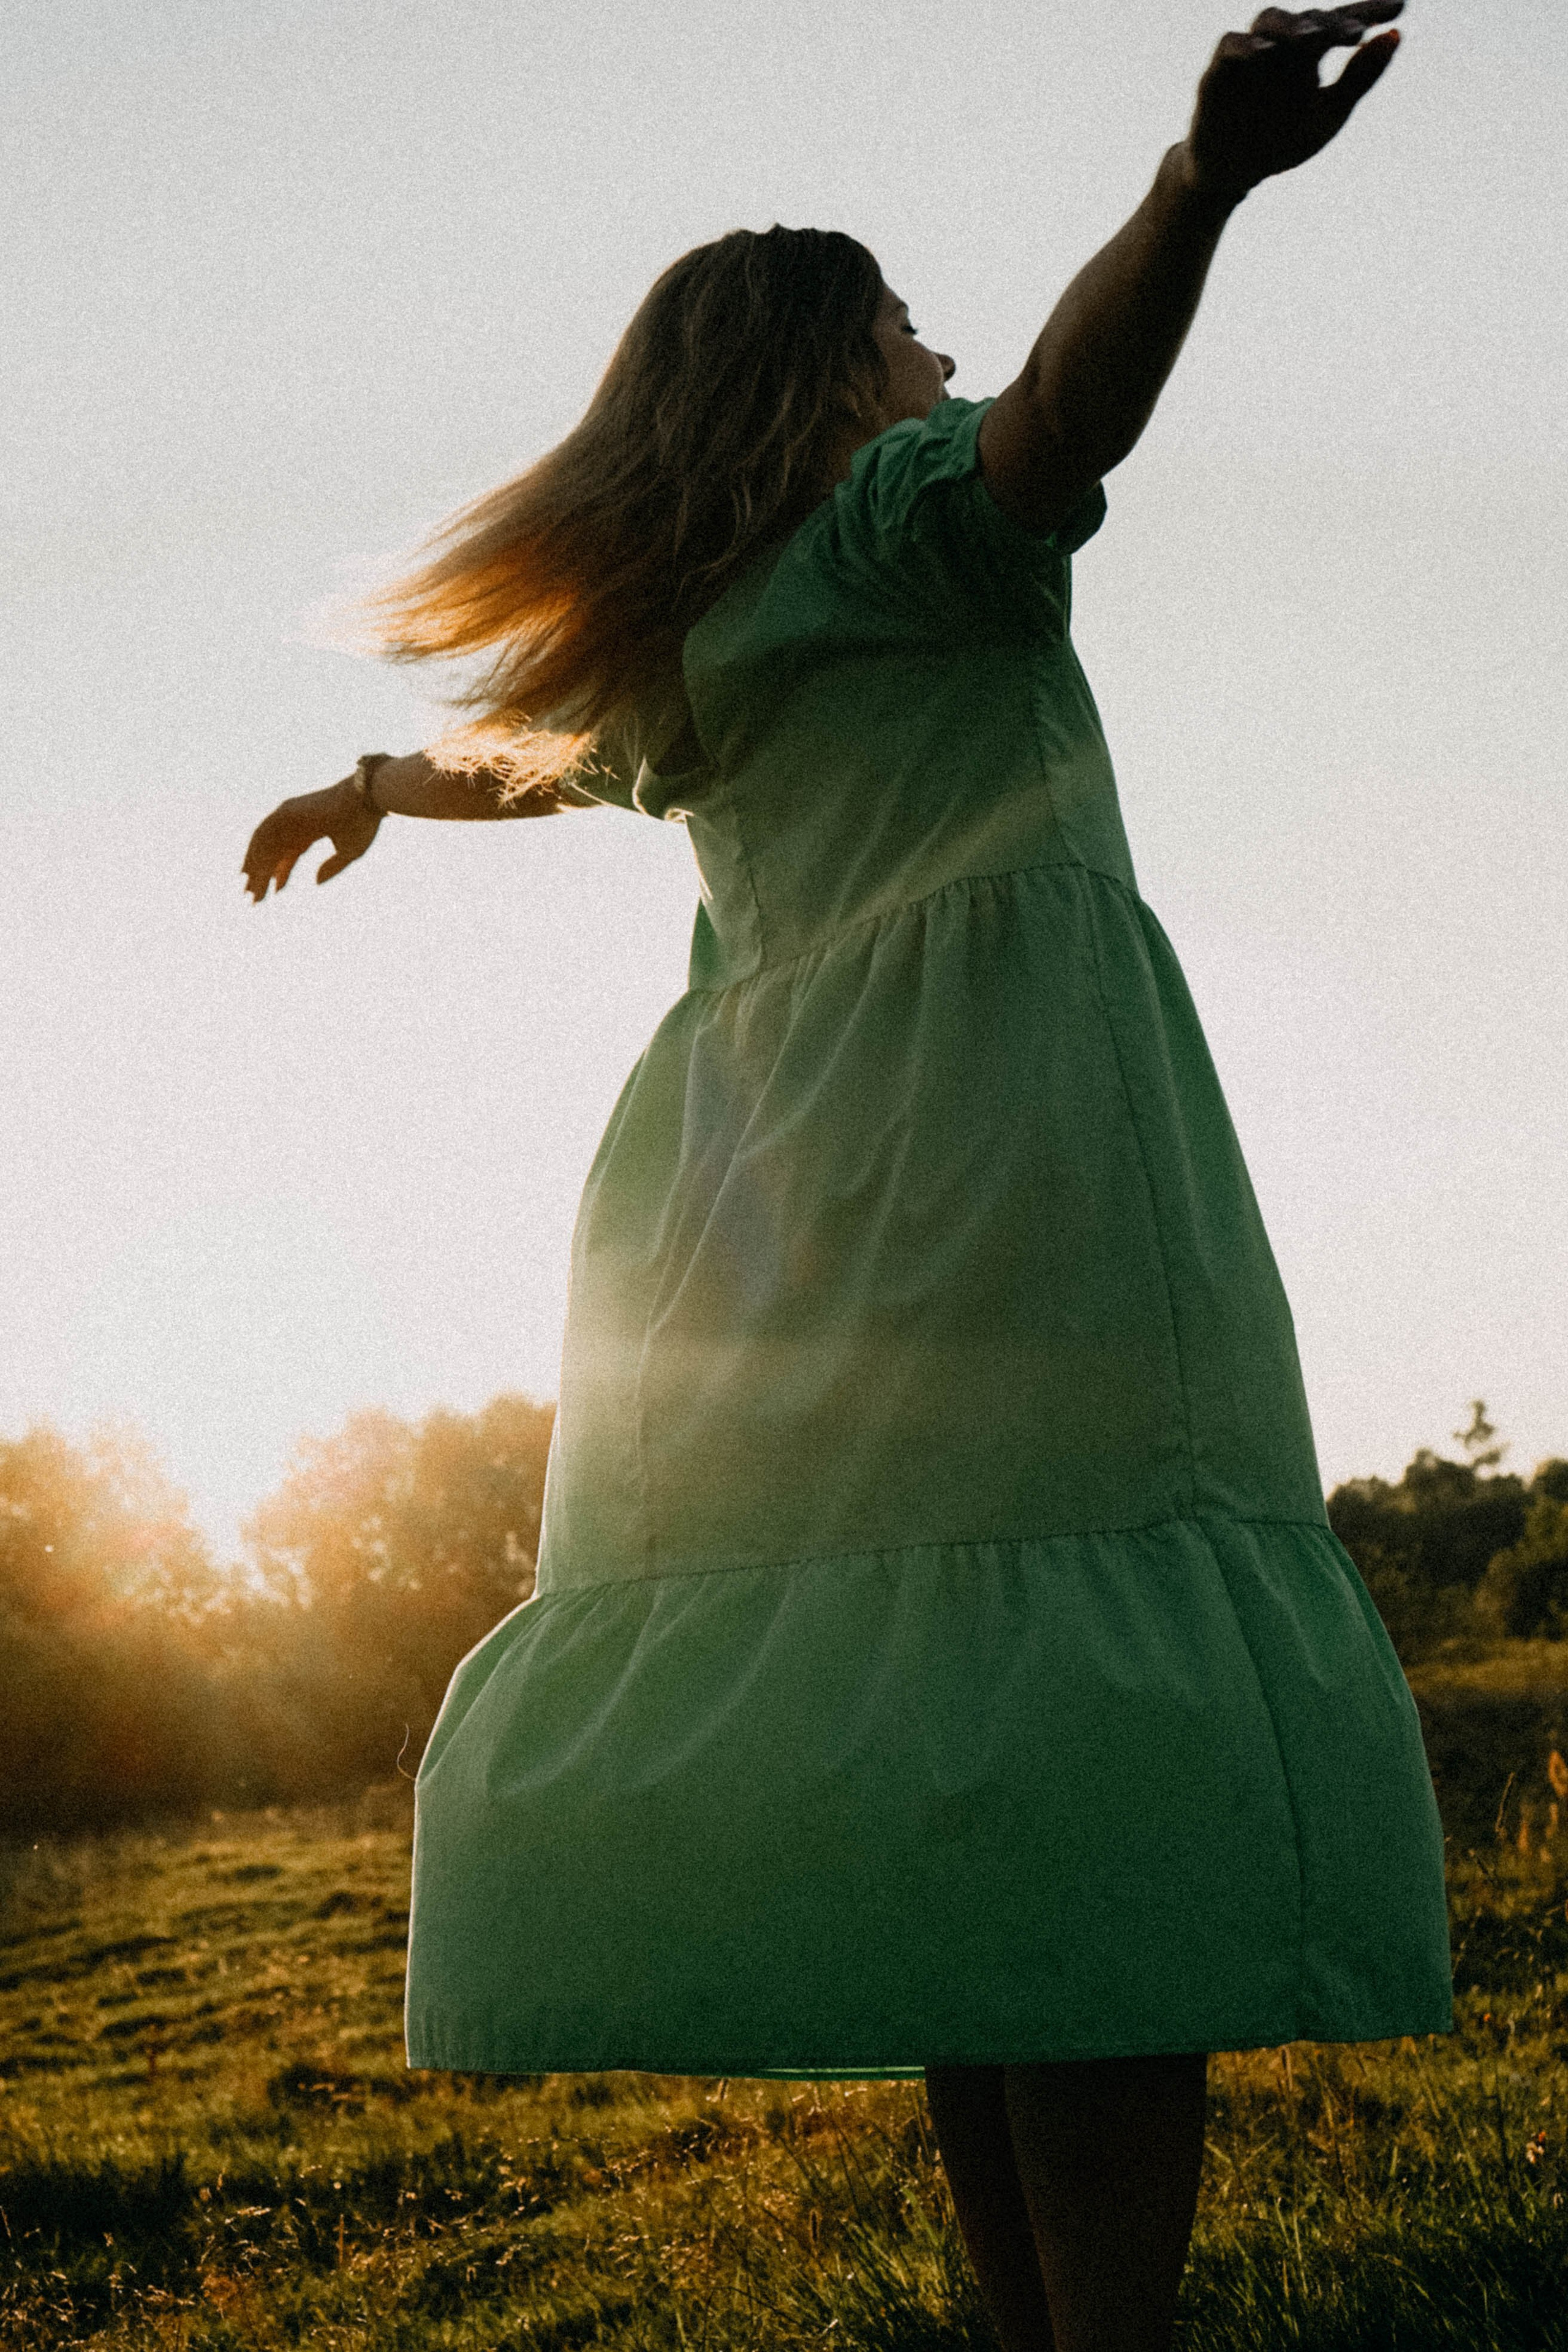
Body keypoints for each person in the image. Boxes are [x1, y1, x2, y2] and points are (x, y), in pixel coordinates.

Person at [243, 8, 1450, 2346]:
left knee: (950, 1753)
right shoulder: (914, 541)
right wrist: (1200, 189)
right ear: (823, 374)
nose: (946, 358)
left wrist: (381, 783)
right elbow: (1070, 418)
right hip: (1014, 1171)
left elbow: (540, 764)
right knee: (1090, 1764)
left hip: (783, 1220)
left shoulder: (689, 642)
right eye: (906, 329)